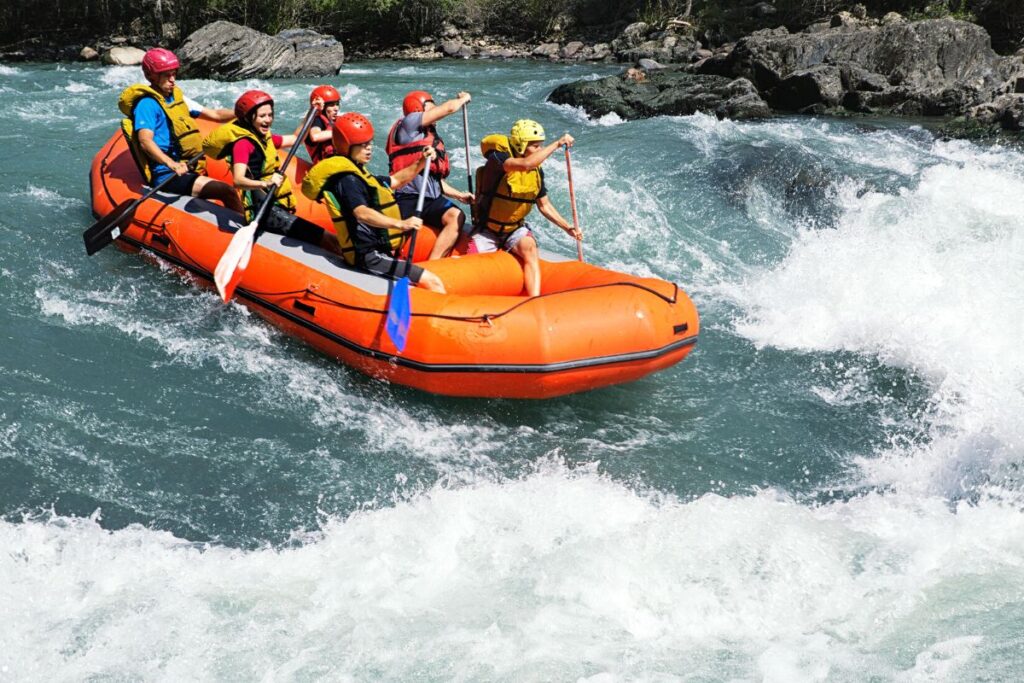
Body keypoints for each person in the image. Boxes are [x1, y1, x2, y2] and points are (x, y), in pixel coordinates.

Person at [301, 112, 446, 293]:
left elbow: (396, 181)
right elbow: (361, 213)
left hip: (378, 251)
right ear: (347, 146)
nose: (369, 149)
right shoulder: (348, 180)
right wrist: (400, 223)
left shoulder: (361, 174)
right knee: (432, 282)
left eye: (369, 143)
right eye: (362, 145)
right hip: (368, 256)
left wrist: (422, 161)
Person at [202, 89, 341, 254]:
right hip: (263, 209)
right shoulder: (243, 144)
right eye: (262, 116)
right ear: (249, 117)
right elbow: (238, 180)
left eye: (270, 115)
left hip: (276, 204)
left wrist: (312, 112)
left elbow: (296, 138)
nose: (268, 120)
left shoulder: (264, 137)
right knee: (326, 238)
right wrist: (266, 183)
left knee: (324, 237)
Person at [117, 48, 243, 213]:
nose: (173, 80)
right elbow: (145, 141)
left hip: (188, 166)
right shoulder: (146, 105)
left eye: (174, 74)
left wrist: (243, 112)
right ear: (150, 76)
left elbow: (216, 115)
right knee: (227, 191)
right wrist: (172, 164)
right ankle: (245, 229)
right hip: (167, 175)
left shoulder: (176, 98)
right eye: (167, 75)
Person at [471, 119, 582, 297]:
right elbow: (525, 165)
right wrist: (557, 144)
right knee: (473, 265)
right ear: (521, 146)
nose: (539, 150)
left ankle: (534, 300)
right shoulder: (498, 159)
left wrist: (567, 227)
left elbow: (544, 205)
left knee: (530, 248)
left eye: (540, 146)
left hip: (514, 229)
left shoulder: (537, 171)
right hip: (487, 229)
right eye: (536, 146)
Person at [386, 90, 474, 261]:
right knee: (392, 242)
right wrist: (463, 100)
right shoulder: (409, 123)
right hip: (408, 197)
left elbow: (433, 179)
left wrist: (459, 195)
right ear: (418, 108)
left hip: (431, 200)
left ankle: (433, 264)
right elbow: (448, 108)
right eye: (431, 106)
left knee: (456, 216)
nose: (435, 109)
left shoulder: (429, 135)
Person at [305, 84, 341, 165]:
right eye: (331, 105)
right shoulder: (317, 120)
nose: (336, 108)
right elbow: (315, 136)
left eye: (337, 104)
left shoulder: (335, 121)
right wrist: (340, 132)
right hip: (326, 167)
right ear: (323, 108)